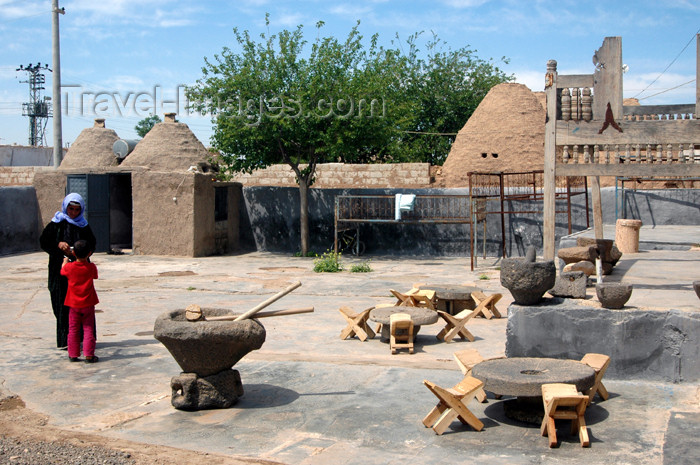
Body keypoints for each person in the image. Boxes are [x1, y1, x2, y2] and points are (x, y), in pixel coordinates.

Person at [40, 193, 96, 349]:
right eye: (70, 209)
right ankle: (66, 339)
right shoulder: (56, 223)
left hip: (80, 271)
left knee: (83, 304)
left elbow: (92, 244)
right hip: (59, 271)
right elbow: (44, 242)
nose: (73, 213)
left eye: (77, 210)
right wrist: (59, 245)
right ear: (65, 207)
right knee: (60, 302)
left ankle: (84, 339)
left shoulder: (83, 225)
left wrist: (80, 251)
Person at [60, 239, 99, 363]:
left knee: (73, 329)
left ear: (74, 253)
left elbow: (62, 270)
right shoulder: (91, 267)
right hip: (88, 303)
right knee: (88, 329)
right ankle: (89, 355)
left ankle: (73, 354)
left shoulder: (70, 268)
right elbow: (95, 275)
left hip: (73, 304)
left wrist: (65, 260)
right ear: (89, 253)